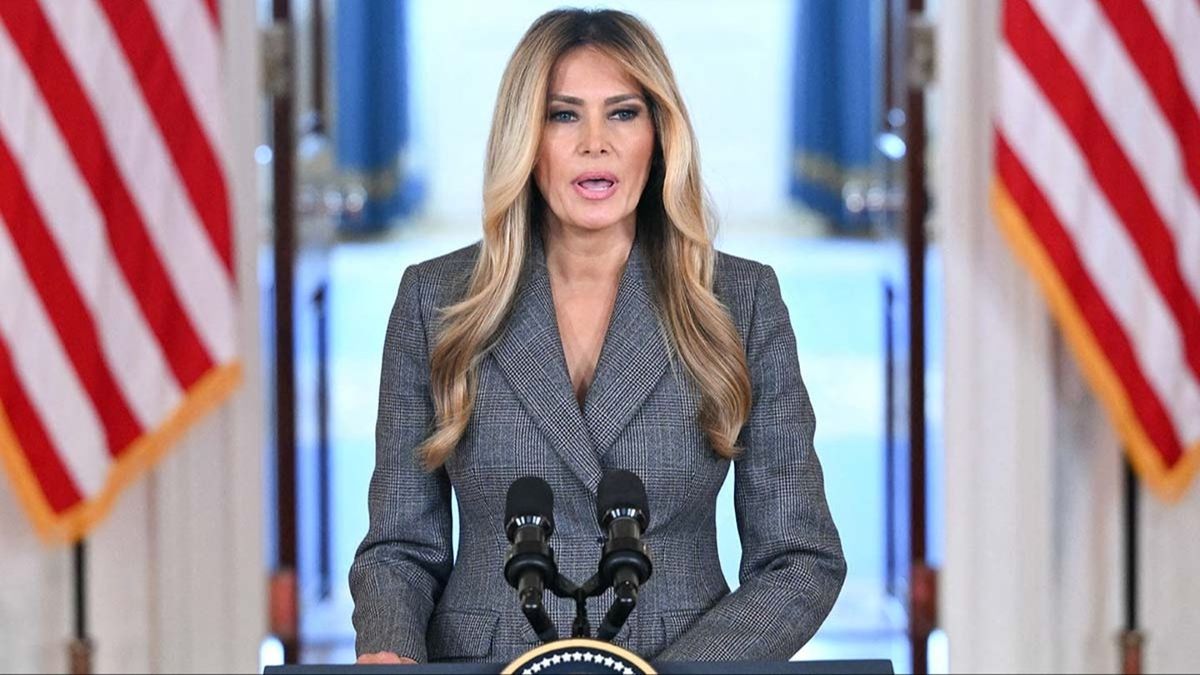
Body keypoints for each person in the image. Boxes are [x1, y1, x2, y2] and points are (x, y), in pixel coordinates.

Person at [350, 8, 846, 665]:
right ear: (525, 138)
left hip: (677, 662)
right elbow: (399, 547)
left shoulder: (741, 300)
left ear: (659, 135)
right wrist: (389, 649)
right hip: (488, 663)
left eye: (623, 113)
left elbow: (799, 558)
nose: (595, 143)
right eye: (563, 115)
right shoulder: (436, 300)